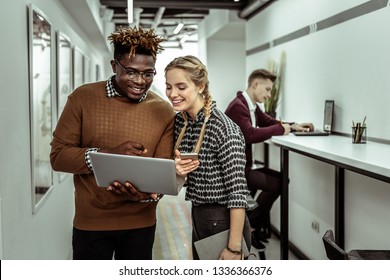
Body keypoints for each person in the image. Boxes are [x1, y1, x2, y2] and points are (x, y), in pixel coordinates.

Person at [50, 27, 175, 260]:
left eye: (148, 73)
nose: (140, 81)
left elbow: (164, 170)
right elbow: (58, 157)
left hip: (141, 224)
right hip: (91, 225)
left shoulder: (163, 110)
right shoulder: (82, 98)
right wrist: (106, 154)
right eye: (131, 71)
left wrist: (149, 195)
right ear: (114, 66)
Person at [164, 55, 251, 260]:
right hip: (199, 215)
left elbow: (238, 194)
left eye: (181, 87)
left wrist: (234, 248)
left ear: (201, 86)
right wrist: (176, 171)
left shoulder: (223, 129)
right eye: (168, 87)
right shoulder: (181, 123)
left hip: (224, 221)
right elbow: (184, 179)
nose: (173, 94)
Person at [225, 69, 313, 250]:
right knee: (277, 183)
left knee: (281, 180)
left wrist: (293, 126)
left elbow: (268, 122)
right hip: (237, 172)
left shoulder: (250, 106)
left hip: (245, 167)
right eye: (267, 89)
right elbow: (250, 134)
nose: (269, 94)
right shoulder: (238, 107)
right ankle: (251, 226)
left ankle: (250, 225)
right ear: (255, 84)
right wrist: (281, 130)